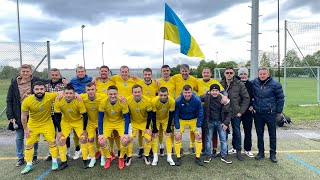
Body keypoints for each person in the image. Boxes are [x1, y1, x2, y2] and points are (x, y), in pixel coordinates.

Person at [19, 81, 61, 174]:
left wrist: (77, 95)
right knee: (29, 144)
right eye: (37, 89)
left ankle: (54, 162)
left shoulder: (50, 96)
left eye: (41, 89)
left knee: (52, 142)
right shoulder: (27, 100)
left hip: (47, 123)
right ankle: (29, 164)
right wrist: (26, 129)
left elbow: (63, 92)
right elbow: (23, 116)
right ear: (33, 90)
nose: (39, 91)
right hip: (33, 124)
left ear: (45, 89)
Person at [6, 64, 42, 167]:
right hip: (19, 113)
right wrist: (10, 116)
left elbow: (50, 81)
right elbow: (9, 100)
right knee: (19, 137)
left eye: (27, 71)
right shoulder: (13, 84)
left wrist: (62, 79)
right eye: (23, 71)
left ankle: (34, 156)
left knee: (33, 136)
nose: (25, 73)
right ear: (20, 72)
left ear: (31, 72)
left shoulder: (36, 80)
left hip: (33, 113)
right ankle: (20, 158)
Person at [253, 67, 285, 163]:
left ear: (268, 74)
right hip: (258, 113)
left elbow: (281, 98)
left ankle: (273, 154)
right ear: (258, 74)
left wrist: (278, 112)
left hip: (270, 114)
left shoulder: (276, 84)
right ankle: (261, 152)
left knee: (272, 134)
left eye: (264, 74)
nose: (262, 75)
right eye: (260, 74)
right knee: (259, 134)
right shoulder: (255, 82)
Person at [54, 85, 90, 170]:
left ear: (74, 94)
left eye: (71, 93)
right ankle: (63, 162)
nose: (68, 95)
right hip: (66, 122)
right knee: (61, 139)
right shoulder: (58, 100)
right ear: (63, 93)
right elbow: (57, 116)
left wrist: (84, 130)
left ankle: (85, 160)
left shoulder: (78, 100)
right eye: (66, 93)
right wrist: (59, 131)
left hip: (78, 121)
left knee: (83, 138)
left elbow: (85, 115)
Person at [220, 67, 250, 161]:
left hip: (235, 113)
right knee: (223, 132)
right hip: (224, 113)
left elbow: (246, 98)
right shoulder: (220, 84)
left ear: (233, 74)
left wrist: (241, 111)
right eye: (227, 73)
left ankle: (238, 150)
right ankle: (224, 151)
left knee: (236, 132)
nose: (229, 74)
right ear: (224, 74)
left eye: (231, 73)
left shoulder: (239, 84)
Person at [98, 85, 130, 169]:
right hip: (108, 122)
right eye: (110, 94)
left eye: (114, 94)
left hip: (119, 122)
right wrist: (100, 133)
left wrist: (126, 133)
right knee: (101, 141)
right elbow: (100, 118)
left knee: (125, 140)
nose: (112, 96)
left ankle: (121, 158)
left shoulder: (122, 102)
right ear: (107, 94)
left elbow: (127, 118)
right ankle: (108, 157)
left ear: (117, 93)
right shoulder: (103, 102)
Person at [197, 67, 226, 157]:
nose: (206, 74)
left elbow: (223, 92)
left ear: (210, 74)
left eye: (207, 73)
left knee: (213, 131)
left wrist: (224, 97)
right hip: (202, 109)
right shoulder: (197, 81)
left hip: (213, 107)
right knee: (204, 129)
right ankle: (204, 147)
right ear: (202, 74)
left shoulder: (215, 82)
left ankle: (214, 148)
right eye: (204, 73)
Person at [200, 84, 232, 164]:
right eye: (213, 91)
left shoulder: (223, 99)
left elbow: (229, 112)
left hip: (220, 122)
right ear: (210, 91)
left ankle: (224, 156)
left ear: (219, 91)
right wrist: (207, 93)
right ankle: (208, 155)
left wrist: (226, 123)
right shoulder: (206, 97)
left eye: (216, 91)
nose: (214, 92)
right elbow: (197, 98)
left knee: (223, 140)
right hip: (209, 122)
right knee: (208, 139)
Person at [174, 85, 204, 166]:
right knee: (177, 136)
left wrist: (198, 125)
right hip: (181, 120)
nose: (187, 94)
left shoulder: (197, 100)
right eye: (185, 92)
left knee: (199, 136)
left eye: (189, 92)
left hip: (193, 119)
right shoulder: (178, 100)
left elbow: (201, 112)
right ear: (182, 92)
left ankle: (198, 157)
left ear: (192, 92)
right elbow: (176, 114)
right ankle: (178, 157)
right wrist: (177, 127)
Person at [67, 66, 93, 160]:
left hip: (86, 105)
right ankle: (78, 149)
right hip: (75, 107)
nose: (81, 73)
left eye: (82, 71)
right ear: (76, 72)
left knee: (87, 129)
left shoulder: (89, 79)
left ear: (85, 72)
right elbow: (68, 89)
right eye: (79, 71)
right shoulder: (73, 80)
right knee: (76, 131)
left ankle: (89, 150)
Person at [172, 64, 198, 155]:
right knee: (180, 129)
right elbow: (165, 81)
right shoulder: (175, 78)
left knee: (192, 129)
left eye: (186, 71)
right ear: (180, 71)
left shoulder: (194, 80)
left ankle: (191, 146)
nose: (184, 73)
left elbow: (198, 90)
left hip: (190, 106)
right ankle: (181, 147)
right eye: (182, 71)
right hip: (180, 106)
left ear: (189, 71)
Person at [80, 82, 107, 168]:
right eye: (88, 90)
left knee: (101, 140)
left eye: (92, 89)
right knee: (90, 139)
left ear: (96, 90)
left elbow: (113, 95)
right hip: (90, 122)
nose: (91, 91)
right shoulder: (82, 97)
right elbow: (72, 94)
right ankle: (92, 158)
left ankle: (103, 157)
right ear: (85, 91)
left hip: (101, 122)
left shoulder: (102, 96)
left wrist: (121, 98)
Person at [125, 84, 153, 166]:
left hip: (144, 122)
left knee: (148, 139)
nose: (137, 94)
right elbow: (126, 114)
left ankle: (146, 155)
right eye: (135, 92)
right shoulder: (128, 100)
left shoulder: (147, 100)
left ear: (142, 92)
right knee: (129, 139)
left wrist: (147, 128)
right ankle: (129, 156)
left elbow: (150, 115)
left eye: (138, 92)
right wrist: (128, 126)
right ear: (132, 92)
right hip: (133, 122)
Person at [44, 68, 68, 161]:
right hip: (49, 112)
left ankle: (67, 151)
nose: (54, 76)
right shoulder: (46, 85)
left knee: (63, 132)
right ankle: (51, 152)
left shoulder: (63, 84)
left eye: (56, 75)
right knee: (51, 133)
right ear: (50, 75)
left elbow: (70, 91)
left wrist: (66, 84)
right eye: (53, 75)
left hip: (61, 112)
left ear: (59, 75)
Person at [94, 66, 115, 160]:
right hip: (98, 109)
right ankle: (98, 150)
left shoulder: (112, 82)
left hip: (109, 109)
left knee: (111, 132)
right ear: (99, 73)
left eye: (105, 71)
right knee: (97, 132)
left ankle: (112, 150)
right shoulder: (95, 82)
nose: (103, 73)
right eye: (102, 71)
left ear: (108, 72)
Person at [151, 87, 176, 166]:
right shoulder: (154, 101)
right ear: (158, 94)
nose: (163, 97)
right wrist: (154, 128)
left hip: (166, 119)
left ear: (168, 94)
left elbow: (171, 114)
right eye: (161, 95)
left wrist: (168, 127)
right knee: (155, 136)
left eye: (165, 95)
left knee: (168, 135)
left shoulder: (172, 101)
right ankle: (155, 156)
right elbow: (153, 115)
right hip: (156, 119)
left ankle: (169, 156)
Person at [157, 65, 175, 156]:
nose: (165, 72)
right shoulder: (158, 81)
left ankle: (171, 145)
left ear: (170, 71)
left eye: (167, 70)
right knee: (160, 128)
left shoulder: (174, 80)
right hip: (160, 108)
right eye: (164, 71)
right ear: (161, 71)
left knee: (171, 127)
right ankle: (161, 145)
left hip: (171, 107)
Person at [238, 67, 254, 158]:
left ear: (247, 75)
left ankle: (247, 149)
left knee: (247, 130)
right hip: (237, 111)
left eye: (244, 74)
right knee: (236, 131)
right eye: (241, 74)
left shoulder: (251, 84)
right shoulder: (235, 83)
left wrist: (252, 105)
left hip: (248, 111)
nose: (243, 76)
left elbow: (253, 96)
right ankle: (236, 147)